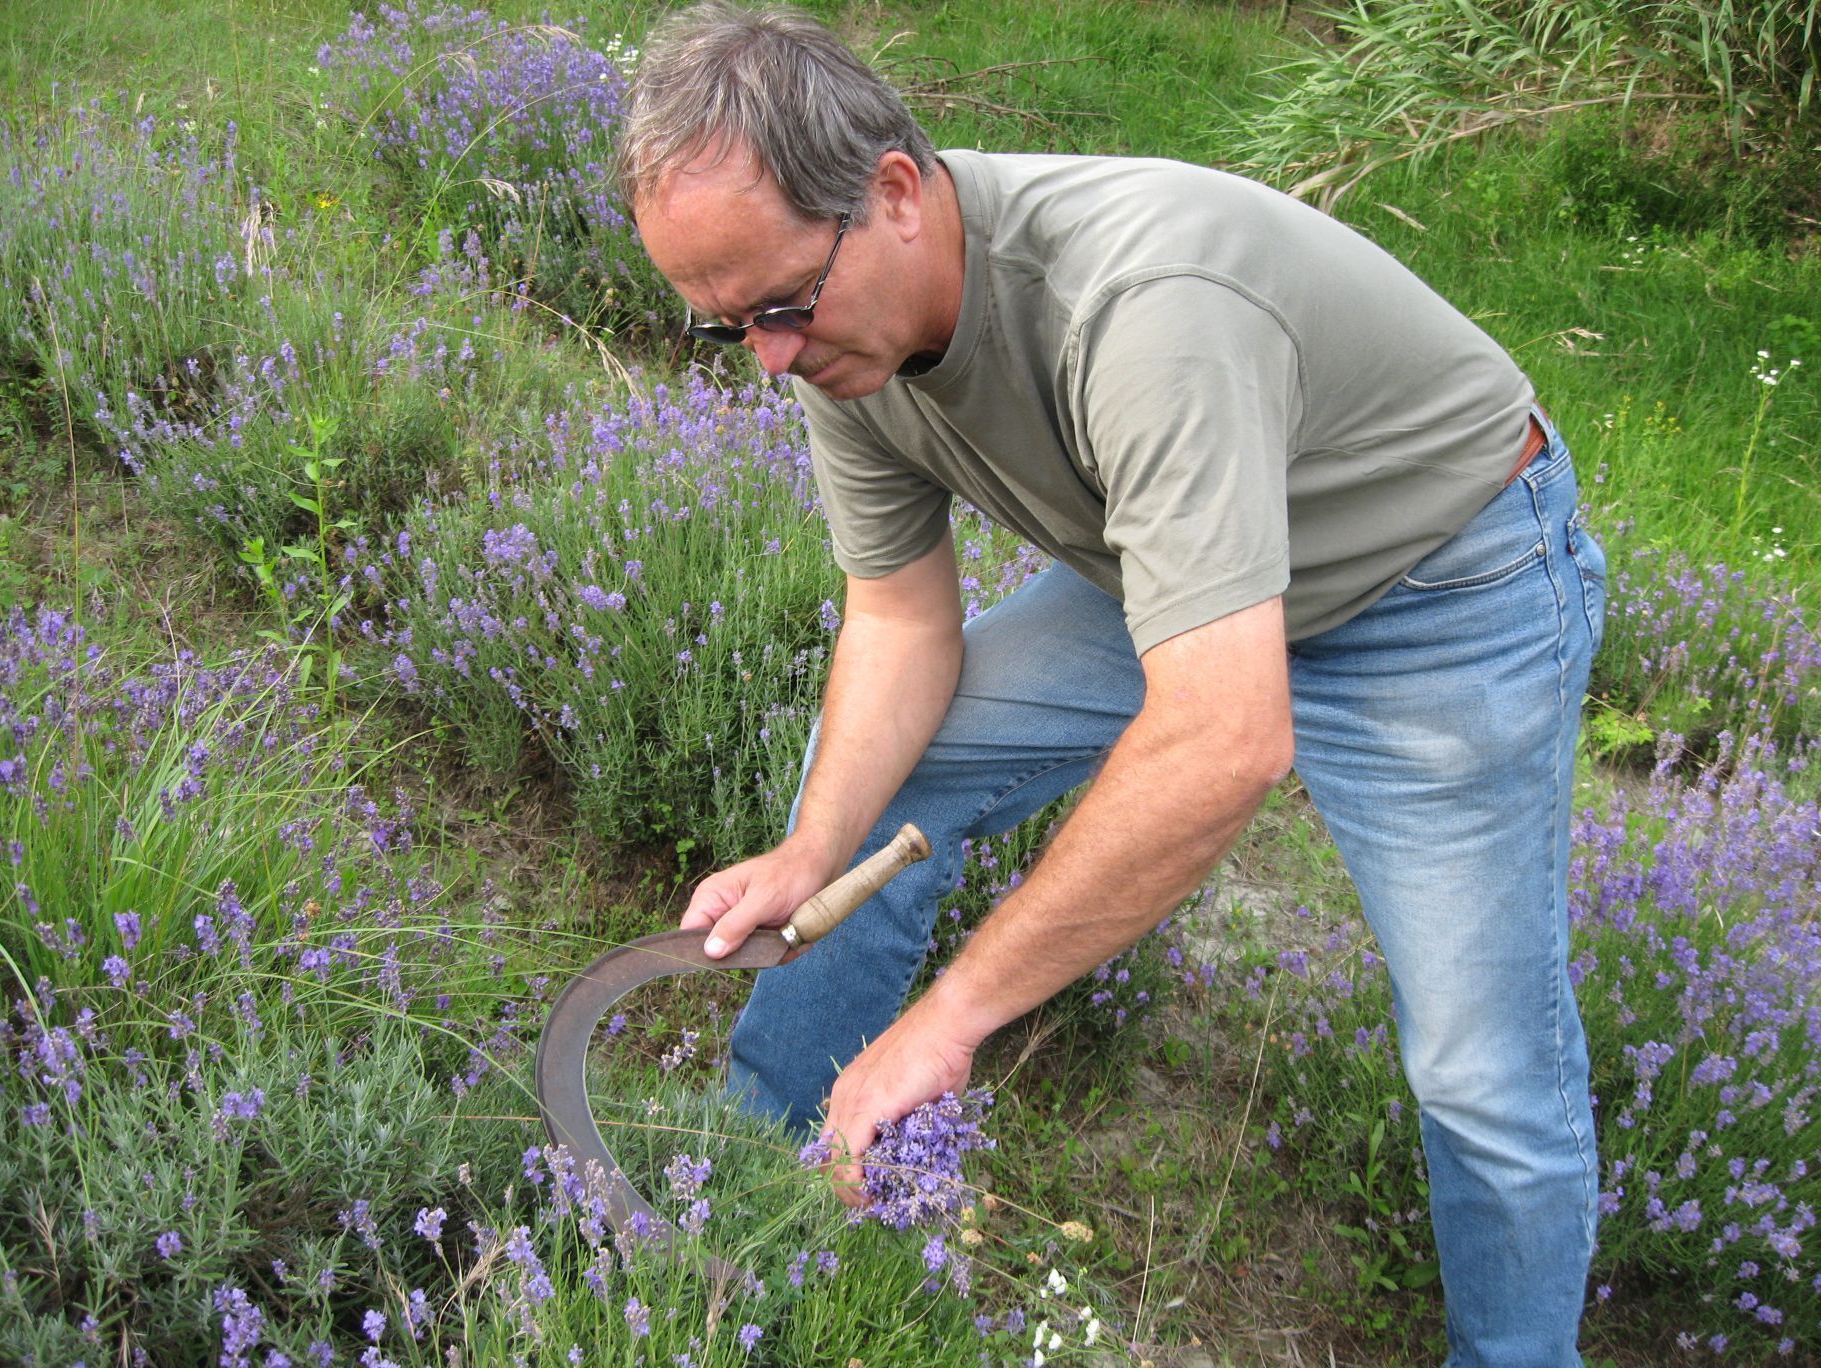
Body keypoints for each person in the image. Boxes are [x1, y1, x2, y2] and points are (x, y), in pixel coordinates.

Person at [615, 4, 1606, 1363]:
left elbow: (1221, 737)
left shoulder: (1144, 309)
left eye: (779, 308)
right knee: (889, 786)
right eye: (728, 328)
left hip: (1439, 586)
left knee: (1481, 1068)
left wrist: (953, 1019)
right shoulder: (838, 335)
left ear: (895, 193)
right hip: (1189, 568)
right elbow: (902, 622)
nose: (770, 355)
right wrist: (816, 846)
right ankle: (756, 1185)